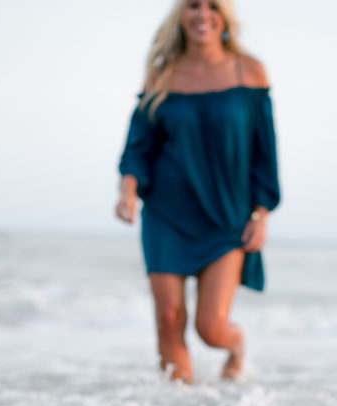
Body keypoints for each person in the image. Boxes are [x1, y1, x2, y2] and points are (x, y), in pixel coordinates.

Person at [115, 0, 280, 382]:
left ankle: (237, 347)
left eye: (212, 6)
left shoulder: (248, 71)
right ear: (181, 15)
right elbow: (138, 146)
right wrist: (127, 190)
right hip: (166, 213)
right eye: (193, 5)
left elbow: (264, 151)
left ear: (224, 17)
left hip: (227, 215)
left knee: (211, 327)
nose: (202, 14)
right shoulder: (162, 75)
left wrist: (261, 212)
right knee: (168, 318)